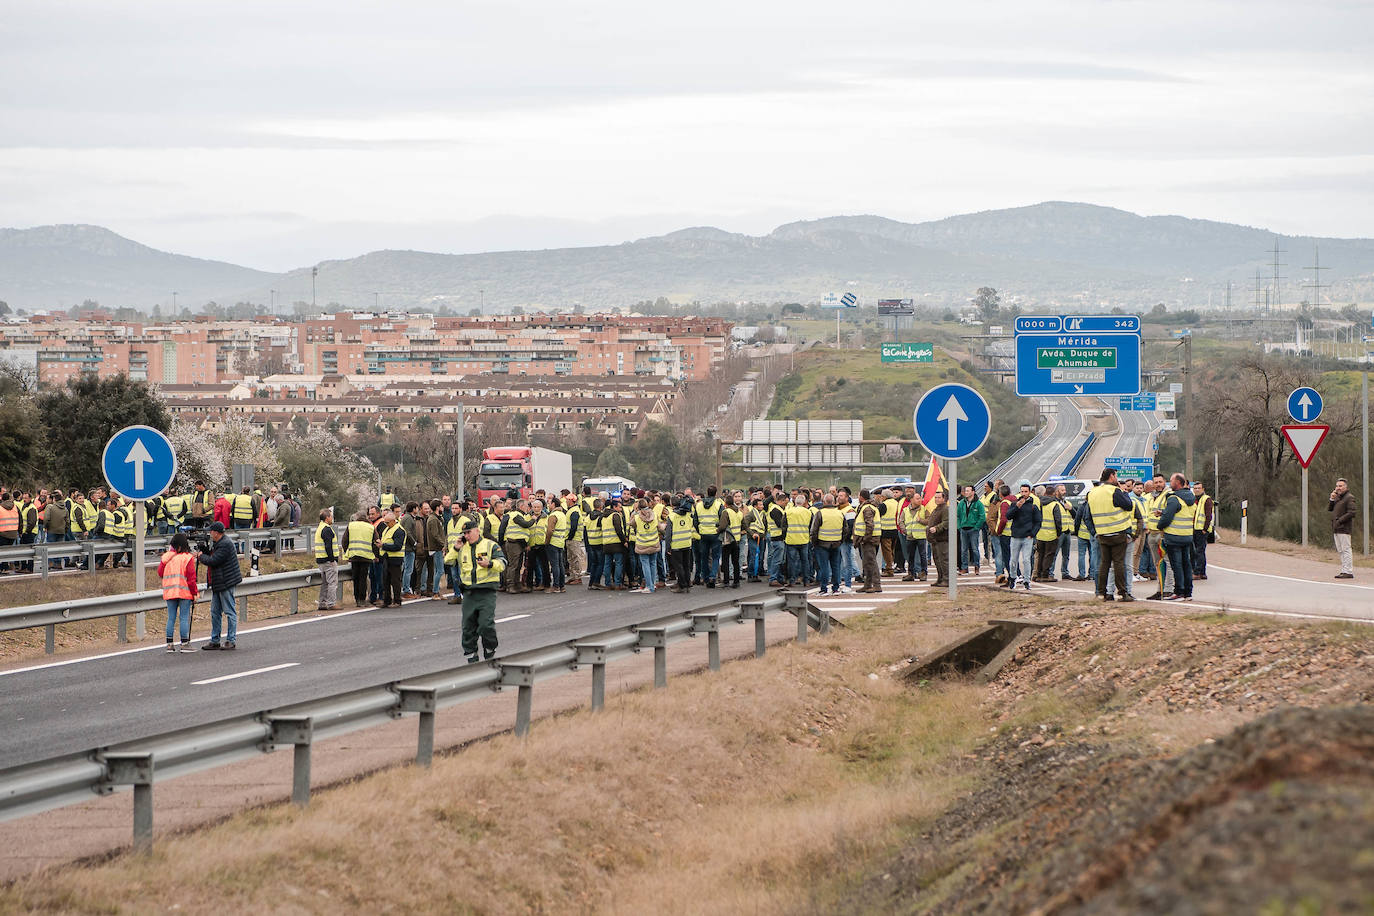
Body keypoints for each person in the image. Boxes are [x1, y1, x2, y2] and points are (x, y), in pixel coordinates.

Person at [448, 518, 506, 664]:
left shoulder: (490, 545)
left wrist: (490, 563)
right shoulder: (462, 548)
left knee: (485, 624)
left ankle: (489, 649)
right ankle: (471, 656)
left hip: (486, 591)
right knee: (468, 626)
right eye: (464, 533)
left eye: (469, 532)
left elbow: (503, 563)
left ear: (477, 530)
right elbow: (448, 561)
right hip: (468, 592)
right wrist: (456, 548)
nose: (467, 536)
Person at [1087, 468, 1137, 602]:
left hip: (1102, 533)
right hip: (1117, 532)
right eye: (1116, 476)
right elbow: (1129, 505)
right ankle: (1122, 592)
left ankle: (1102, 593)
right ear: (1111, 476)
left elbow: (1089, 513)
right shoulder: (1114, 491)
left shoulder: (1093, 492)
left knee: (1104, 564)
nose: (1117, 478)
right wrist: (1124, 492)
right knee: (1119, 564)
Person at [196, 522, 243, 650]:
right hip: (218, 582)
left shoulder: (225, 544)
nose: (210, 534)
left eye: (211, 531)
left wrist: (201, 556)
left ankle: (231, 640)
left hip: (226, 582)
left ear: (217, 532)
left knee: (229, 611)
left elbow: (213, 561)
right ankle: (215, 640)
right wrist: (205, 550)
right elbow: (213, 556)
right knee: (215, 612)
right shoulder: (219, 543)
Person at [1158, 473, 1197, 601]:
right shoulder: (1191, 498)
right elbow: (1181, 513)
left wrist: (1160, 524)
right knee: (1187, 565)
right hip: (1187, 536)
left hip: (1174, 536)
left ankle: (1179, 592)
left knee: (1177, 566)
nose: (1170, 483)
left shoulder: (1174, 499)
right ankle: (1187, 592)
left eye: (1171, 481)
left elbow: (1167, 518)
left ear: (1178, 483)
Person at [158, 533, 198, 652]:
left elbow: (160, 573)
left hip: (170, 592)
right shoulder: (187, 558)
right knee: (184, 617)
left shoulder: (167, 557)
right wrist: (194, 593)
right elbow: (191, 578)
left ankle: (169, 644)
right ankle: (184, 643)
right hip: (184, 592)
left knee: (171, 617)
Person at [1006, 480, 1041, 591]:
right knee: (1013, 560)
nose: (1023, 494)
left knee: (1026, 560)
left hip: (1027, 537)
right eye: (1022, 491)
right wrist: (1017, 506)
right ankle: (1012, 577)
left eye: (1026, 491)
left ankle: (1027, 580)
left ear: (1029, 492)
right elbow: (1008, 516)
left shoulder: (1033, 507)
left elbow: (1038, 521)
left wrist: (1032, 534)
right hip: (1016, 536)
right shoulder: (1014, 504)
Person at [810, 493, 845, 596]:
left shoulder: (820, 513)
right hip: (836, 543)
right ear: (833, 502)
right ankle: (835, 588)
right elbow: (845, 529)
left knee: (824, 567)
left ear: (824, 502)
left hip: (822, 544)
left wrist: (814, 543)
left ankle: (824, 588)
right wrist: (840, 540)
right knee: (836, 567)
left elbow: (814, 530)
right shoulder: (840, 513)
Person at [341, 510, 376, 607]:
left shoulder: (351, 525)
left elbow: (344, 541)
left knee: (355, 578)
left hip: (354, 556)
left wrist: (347, 552)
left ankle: (357, 599)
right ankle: (362, 599)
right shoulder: (371, 527)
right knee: (363, 578)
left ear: (357, 517)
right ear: (366, 517)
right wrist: (374, 554)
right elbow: (376, 542)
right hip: (366, 556)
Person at [631, 500, 664, 594]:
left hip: (642, 544)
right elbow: (660, 528)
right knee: (653, 563)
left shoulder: (637, 517)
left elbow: (631, 524)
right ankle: (652, 584)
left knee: (645, 565)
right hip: (654, 542)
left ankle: (649, 586)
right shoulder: (654, 515)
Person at [667, 498, 698, 593]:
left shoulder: (672, 516)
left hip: (676, 544)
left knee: (678, 566)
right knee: (686, 565)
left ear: (671, 504)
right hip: (687, 543)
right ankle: (687, 582)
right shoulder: (688, 514)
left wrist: (668, 546)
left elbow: (668, 533)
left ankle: (682, 585)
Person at [377, 509, 406, 607]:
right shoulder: (387, 529)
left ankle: (397, 601)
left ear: (393, 521)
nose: (386, 524)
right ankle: (387, 600)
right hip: (386, 558)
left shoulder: (399, 530)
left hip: (395, 559)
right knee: (386, 581)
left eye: (387, 522)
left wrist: (383, 546)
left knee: (395, 581)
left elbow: (397, 546)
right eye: (385, 522)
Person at [1033, 487, 1064, 582]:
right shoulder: (1055, 504)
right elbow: (1058, 521)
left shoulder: (1039, 502)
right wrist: (1059, 533)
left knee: (1041, 554)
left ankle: (1038, 574)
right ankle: (1045, 575)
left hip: (1040, 534)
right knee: (1049, 555)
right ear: (1054, 493)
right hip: (1051, 534)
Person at [1329, 478, 1356, 578]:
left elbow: (1352, 513)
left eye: (1340, 486)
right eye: (1337, 486)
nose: (1338, 488)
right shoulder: (1337, 497)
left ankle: (1348, 571)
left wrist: (1339, 520)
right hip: (1336, 528)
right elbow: (1330, 509)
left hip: (1344, 528)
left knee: (1346, 549)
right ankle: (1344, 570)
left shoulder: (1349, 498)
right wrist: (1332, 499)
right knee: (1340, 550)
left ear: (1346, 487)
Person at [925, 490, 951, 588]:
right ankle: (940, 579)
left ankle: (946, 579)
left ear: (944, 498)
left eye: (939, 497)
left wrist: (936, 528)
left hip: (942, 539)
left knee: (944, 560)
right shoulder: (937, 509)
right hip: (935, 539)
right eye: (935, 497)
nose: (937, 499)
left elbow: (946, 522)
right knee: (937, 560)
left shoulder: (945, 509)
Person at [314, 508, 339, 611]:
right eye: (331, 517)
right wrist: (332, 559)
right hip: (328, 561)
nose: (332, 519)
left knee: (325, 583)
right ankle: (331, 603)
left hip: (321, 560)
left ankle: (322, 603)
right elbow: (328, 546)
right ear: (327, 517)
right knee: (332, 582)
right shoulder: (327, 529)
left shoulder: (320, 527)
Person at [956, 485, 984, 575]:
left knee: (974, 548)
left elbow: (982, 516)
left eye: (968, 491)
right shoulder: (961, 503)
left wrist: (976, 527)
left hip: (973, 529)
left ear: (973, 492)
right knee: (963, 549)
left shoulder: (978, 503)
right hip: (963, 529)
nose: (966, 492)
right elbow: (958, 515)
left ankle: (977, 566)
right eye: (965, 491)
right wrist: (959, 526)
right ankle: (964, 568)